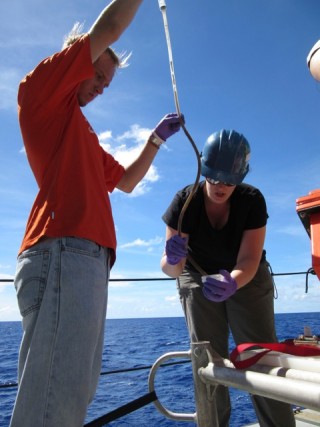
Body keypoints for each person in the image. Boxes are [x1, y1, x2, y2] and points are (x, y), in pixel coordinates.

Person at [10, 1, 183, 426]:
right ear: (77, 59)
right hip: (63, 253)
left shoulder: (82, 133)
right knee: (56, 399)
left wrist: (155, 140)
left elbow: (125, 181)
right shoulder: (42, 91)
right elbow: (109, 29)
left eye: (108, 83)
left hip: (84, 262)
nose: (104, 87)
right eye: (100, 75)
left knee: (72, 392)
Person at [160, 130, 296, 427]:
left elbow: (249, 259)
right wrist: (172, 259)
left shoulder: (252, 200)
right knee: (208, 360)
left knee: (260, 357)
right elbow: (171, 269)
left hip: (246, 276)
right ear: (204, 169)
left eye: (230, 179)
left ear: (241, 177)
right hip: (195, 276)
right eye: (215, 177)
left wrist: (233, 280)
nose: (221, 185)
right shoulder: (184, 202)